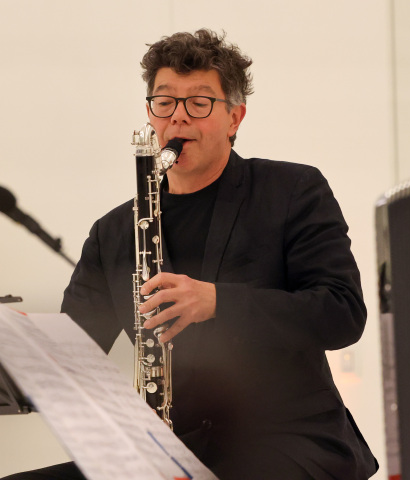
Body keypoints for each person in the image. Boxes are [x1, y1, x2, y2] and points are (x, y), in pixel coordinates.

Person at [4, 29, 377, 479]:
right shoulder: (114, 231)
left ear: (235, 117)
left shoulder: (293, 191)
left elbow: (342, 313)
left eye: (199, 104)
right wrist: (23, 347)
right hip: (166, 445)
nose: (178, 119)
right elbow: (74, 354)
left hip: (286, 437)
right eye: (165, 102)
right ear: (149, 113)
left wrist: (217, 301)